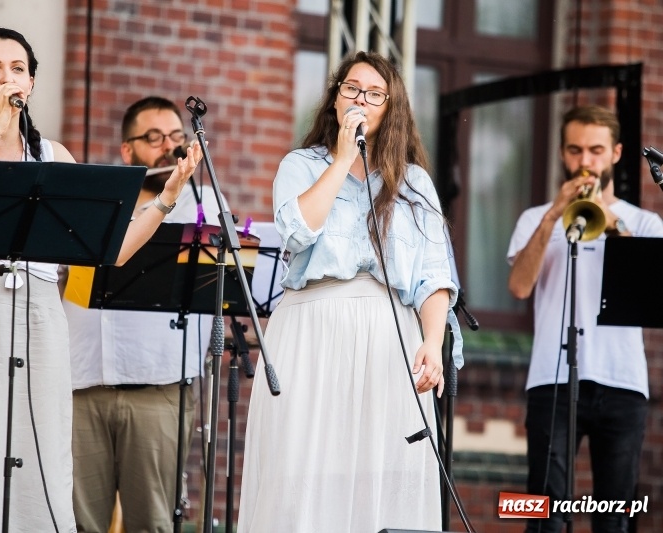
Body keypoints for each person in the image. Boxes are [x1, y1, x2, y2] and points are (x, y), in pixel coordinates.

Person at [0, 29, 199, 532]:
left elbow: (113, 249)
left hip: (39, 318)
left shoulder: (54, 156)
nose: (7, 78)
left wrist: (167, 195)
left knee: (35, 456)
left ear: (32, 82)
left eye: (18, 68)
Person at [237, 51, 462, 532]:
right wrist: (341, 159)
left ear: (391, 106)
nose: (362, 98)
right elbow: (296, 232)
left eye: (375, 93)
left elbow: (435, 274)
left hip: (390, 339)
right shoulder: (300, 164)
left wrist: (433, 341)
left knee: (380, 476)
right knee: (301, 469)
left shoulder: (414, 182)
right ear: (336, 98)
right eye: (351, 88)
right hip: (311, 328)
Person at [63, 96, 222, 533]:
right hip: (84, 383)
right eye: (153, 138)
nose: (168, 147)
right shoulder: (96, 203)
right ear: (127, 151)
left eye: (176, 137)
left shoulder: (205, 206)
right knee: (77, 521)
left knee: (153, 522)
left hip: (162, 387)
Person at [507, 104, 663, 533]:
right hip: (551, 378)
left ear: (615, 153)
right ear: (563, 153)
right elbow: (520, 287)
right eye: (575, 150)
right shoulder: (535, 218)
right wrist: (554, 215)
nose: (585, 162)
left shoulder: (645, 222)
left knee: (614, 518)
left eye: (596, 150)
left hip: (623, 381)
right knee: (544, 513)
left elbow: (650, 295)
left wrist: (612, 224)